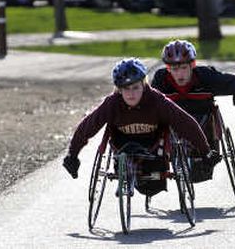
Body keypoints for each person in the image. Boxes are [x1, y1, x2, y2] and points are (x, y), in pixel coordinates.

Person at [63, 58, 220, 196]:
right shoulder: (112, 103)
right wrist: (72, 155)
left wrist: (205, 151)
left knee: (153, 184)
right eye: (126, 89)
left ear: (144, 85)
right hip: (122, 146)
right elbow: (88, 127)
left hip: (152, 150)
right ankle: (127, 174)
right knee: (124, 153)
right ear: (119, 89)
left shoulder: (157, 100)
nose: (131, 94)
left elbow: (185, 123)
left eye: (135, 88)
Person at [151, 40, 235, 180]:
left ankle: (203, 156)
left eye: (183, 68)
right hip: (174, 125)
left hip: (204, 124)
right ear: (168, 68)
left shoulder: (206, 77)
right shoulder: (161, 80)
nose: (180, 74)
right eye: (174, 69)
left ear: (192, 65)